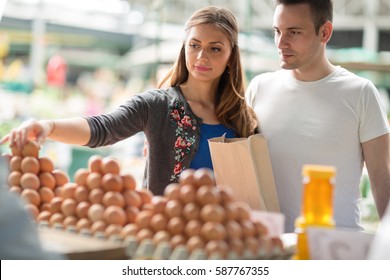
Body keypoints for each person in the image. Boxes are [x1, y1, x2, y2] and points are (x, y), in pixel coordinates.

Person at [1, 6, 257, 196]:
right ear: (184, 49)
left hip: (228, 240)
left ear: (231, 56)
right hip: (167, 237)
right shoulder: (157, 105)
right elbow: (103, 128)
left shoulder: (242, 116)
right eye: (194, 45)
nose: (202, 56)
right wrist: (48, 127)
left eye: (215, 48)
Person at [246, 0, 390, 233]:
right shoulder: (259, 88)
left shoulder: (360, 93)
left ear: (325, 32)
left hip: (338, 252)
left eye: (294, 32)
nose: (281, 43)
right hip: (274, 249)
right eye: (277, 31)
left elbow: (382, 182)